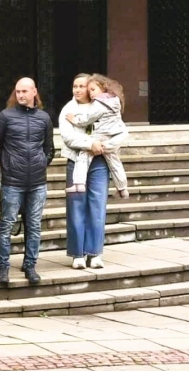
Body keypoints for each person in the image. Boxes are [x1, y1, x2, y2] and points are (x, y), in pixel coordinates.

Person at [0, 78, 54, 285]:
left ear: (34, 91)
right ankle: (3, 266)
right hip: (12, 180)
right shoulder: (5, 116)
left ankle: (30, 265)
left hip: (37, 181)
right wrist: (8, 164)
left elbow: (49, 148)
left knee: (34, 225)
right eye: (17, 91)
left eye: (25, 91)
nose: (20, 95)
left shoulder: (44, 118)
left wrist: (42, 162)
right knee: (6, 224)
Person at [60, 74, 127, 270]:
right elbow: (68, 137)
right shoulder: (69, 109)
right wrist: (91, 144)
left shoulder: (104, 106)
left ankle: (95, 253)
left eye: (83, 86)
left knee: (97, 207)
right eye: (75, 86)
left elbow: (119, 130)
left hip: (100, 161)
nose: (78, 90)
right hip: (76, 160)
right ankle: (77, 254)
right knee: (76, 207)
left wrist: (105, 145)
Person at [65, 73, 129, 198]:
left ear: (103, 88)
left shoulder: (99, 104)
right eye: (89, 91)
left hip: (101, 135)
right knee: (114, 162)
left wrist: (74, 119)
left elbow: (88, 119)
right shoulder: (115, 101)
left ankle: (79, 183)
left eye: (93, 89)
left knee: (83, 155)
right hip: (114, 136)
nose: (91, 94)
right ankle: (123, 188)